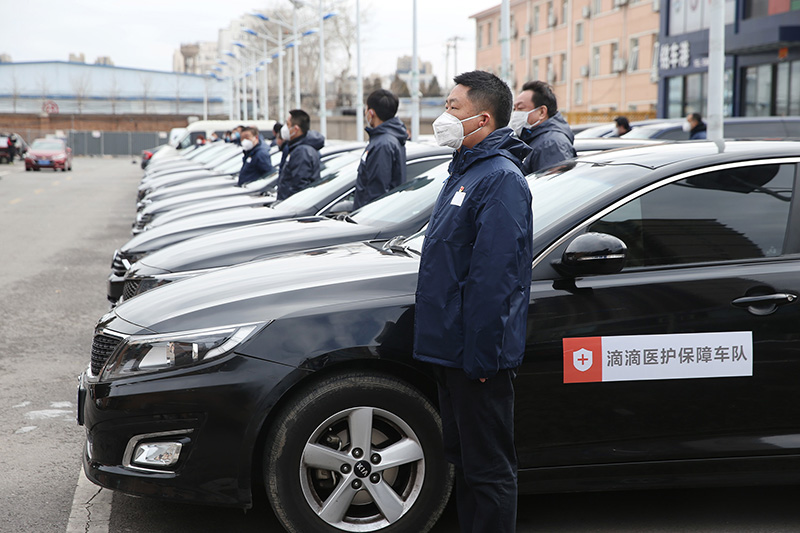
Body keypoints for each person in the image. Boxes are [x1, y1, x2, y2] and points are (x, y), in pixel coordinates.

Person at [414, 70, 533, 533]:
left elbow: (494, 278)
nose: (444, 116)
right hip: (453, 350)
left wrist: (481, 356)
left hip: (477, 358)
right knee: (464, 459)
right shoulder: (466, 171)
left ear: (482, 119)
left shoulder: (500, 179)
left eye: (453, 108)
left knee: (488, 469)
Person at [353, 89, 408, 210]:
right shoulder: (388, 139)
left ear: (371, 113)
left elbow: (376, 192)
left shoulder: (383, 144)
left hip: (369, 219)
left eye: (366, 109)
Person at [510, 80, 576, 174]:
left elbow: (551, 185)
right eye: (514, 109)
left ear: (542, 112)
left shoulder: (551, 144)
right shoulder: (533, 138)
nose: (516, 114)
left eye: (520, 108)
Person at [276, 109, 324, 201]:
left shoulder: (302, 151)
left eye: (288, 124)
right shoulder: (297, 148)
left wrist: (288, 205)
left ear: (296, 129)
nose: (284, 128)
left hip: (292, 208)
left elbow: (299, 186)